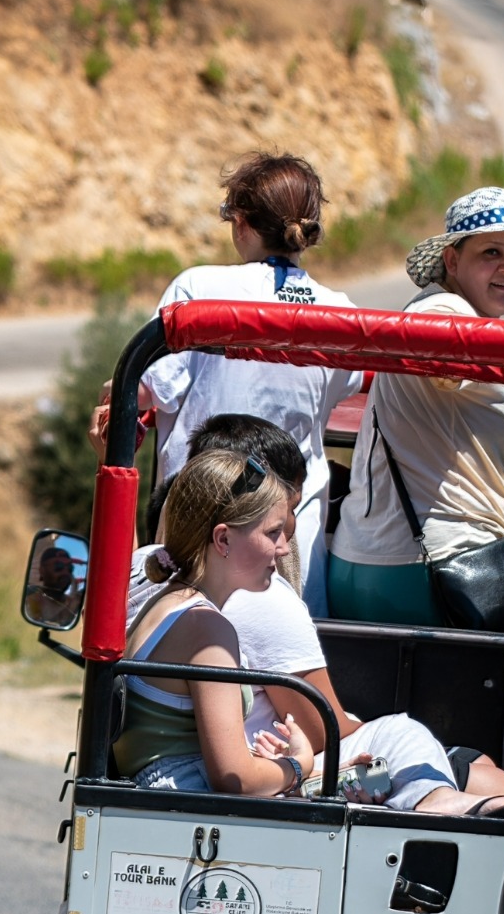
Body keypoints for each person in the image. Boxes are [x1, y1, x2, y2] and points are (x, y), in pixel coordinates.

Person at [131, 415, 504, 803]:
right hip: (196, 794)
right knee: (401, 738)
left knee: (382, 760)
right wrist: (299, 765)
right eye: (273, 533)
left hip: (186, 781)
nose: (285, 548)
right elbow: (234, 779)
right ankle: (443, 804)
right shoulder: (207, 629)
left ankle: (444, 801)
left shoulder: (166, 598)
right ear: (223, 540)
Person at [327, 188, 504, 628]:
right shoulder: (444, 309)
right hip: (439, 568)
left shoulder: (439, 312)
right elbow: (441, 353)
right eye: (491, 252)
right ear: (452, 261)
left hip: (369, 561)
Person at [136, 153, 360, 607]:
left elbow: (148, 388)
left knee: (182, 652)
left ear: (240, 223)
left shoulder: (197, 290)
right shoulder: (340, 310)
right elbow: (343, 388)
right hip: (290, 534)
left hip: (201, 524)